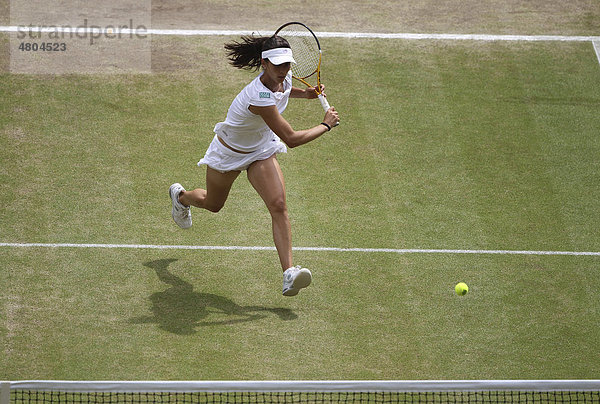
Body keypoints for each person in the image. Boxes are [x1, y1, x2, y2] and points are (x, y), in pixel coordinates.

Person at [169, 34, 340, 297]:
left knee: (279, 205)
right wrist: (325, 124)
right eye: (278, 65)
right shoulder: (257, 96)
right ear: (264, 64)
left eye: (287, 65)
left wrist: (304, 94)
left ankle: (289, 273)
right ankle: (181, 198)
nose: (284, 71)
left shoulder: (284, 77)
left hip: (260, 149)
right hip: (228, 153)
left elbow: (283, 91)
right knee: (214, 205)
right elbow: (291, 139)